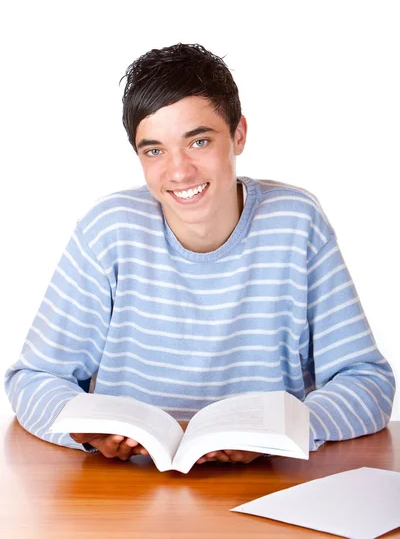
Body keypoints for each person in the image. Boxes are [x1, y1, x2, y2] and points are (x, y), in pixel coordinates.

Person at [4, 43, 395, 466]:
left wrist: (287, 430)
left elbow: (367, 383)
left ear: (238, 134)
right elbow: (33, 380)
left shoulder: (295, 223)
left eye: (199, 141)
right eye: (155, 150)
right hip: (127, 488)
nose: (178, 172)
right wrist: (85, 432)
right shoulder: (109, 229)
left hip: (264, 487)